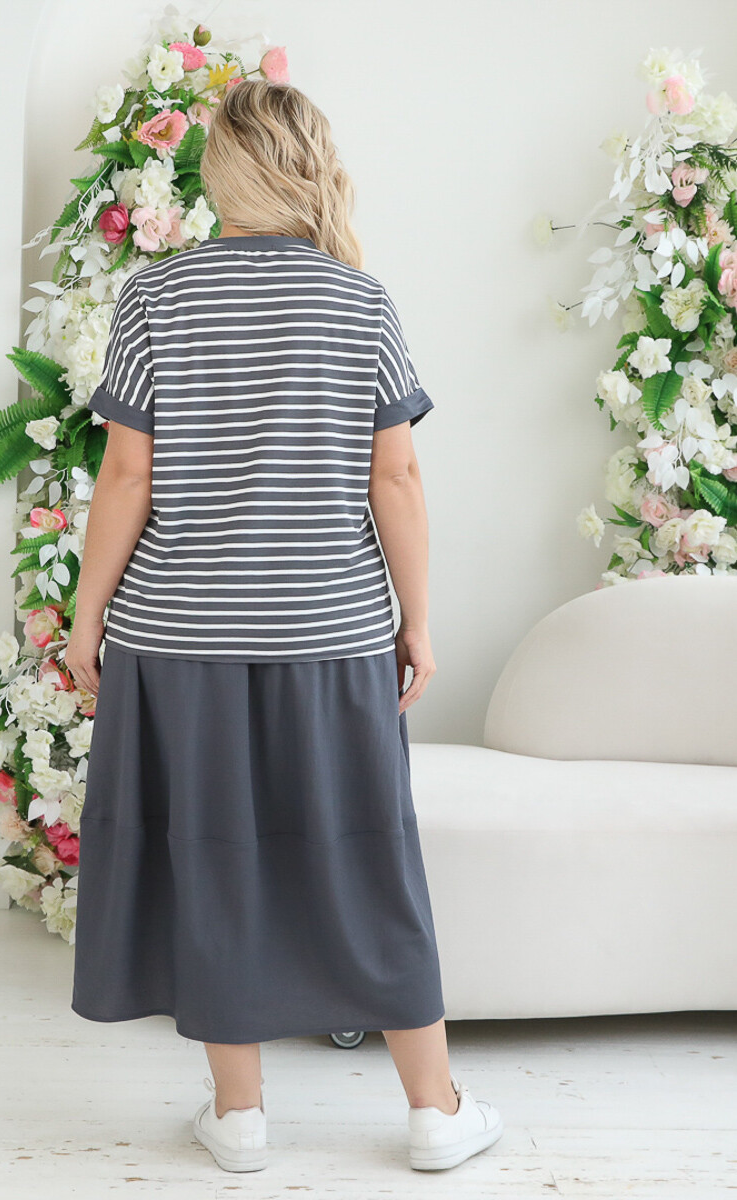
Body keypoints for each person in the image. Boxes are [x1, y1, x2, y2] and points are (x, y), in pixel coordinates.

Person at [65, 78, 503, 1174]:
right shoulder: (361, 301)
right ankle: (435, 1112)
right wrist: (417, 621)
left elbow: (126, 479)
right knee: (371, 861)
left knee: (212, 859)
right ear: (313, 164)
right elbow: (396, 478)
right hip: (332, 635)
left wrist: (87, 621)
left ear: (220, 172)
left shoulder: (155, 297)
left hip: (181, 639)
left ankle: (242, 1118)